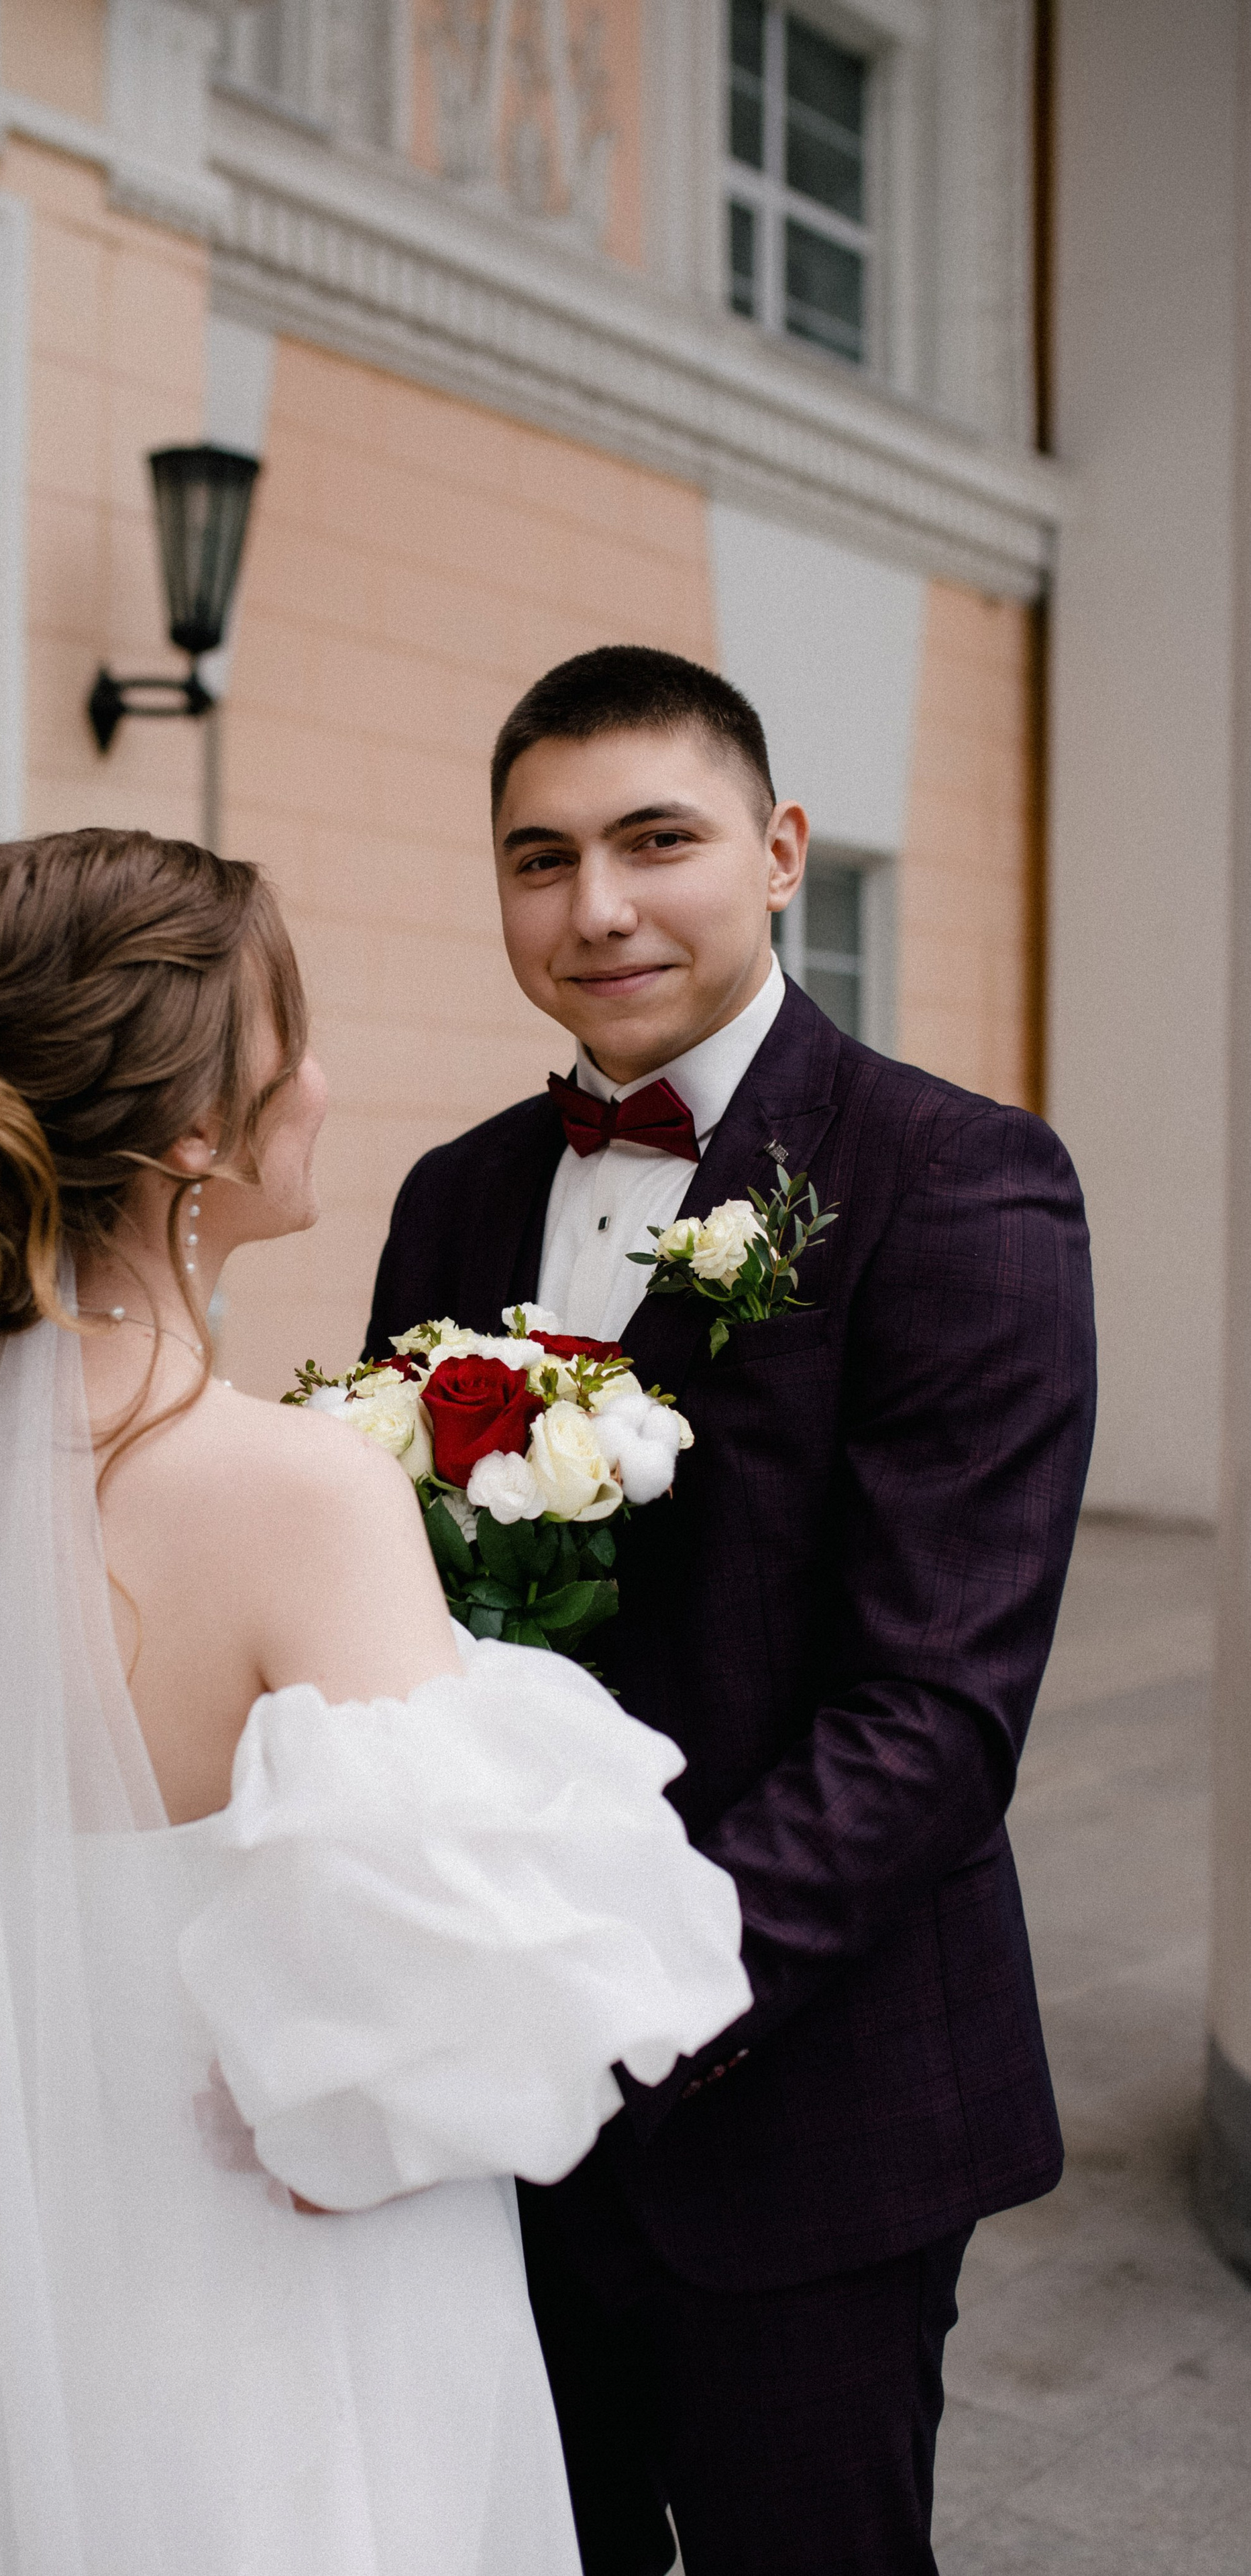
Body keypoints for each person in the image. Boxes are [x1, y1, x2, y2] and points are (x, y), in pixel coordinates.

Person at [0, 826, 751, 2576]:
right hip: (283, 2297)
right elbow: (463, 2014)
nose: (323, 1081)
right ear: (199, 1131)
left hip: (28, 2278)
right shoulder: (300, 1494)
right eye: (296, 1034)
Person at [365, 647, 1097, 2576]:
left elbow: (936, 1718)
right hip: (493, 2115)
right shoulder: (451, 1200)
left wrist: (621, 1996)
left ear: (779, 854)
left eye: (655, 841)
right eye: (540, 859)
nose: (596, 907)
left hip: (805, 2106)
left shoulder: (957, 1180)